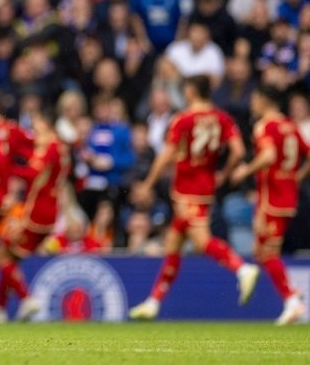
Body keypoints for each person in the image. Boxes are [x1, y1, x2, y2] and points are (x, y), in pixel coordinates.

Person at [129, 75, 259, 320]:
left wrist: (148, 184)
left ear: (190, 91)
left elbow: (166, 155)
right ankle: (153, 301)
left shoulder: (183, 119)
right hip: (206, 186)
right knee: (174, 244)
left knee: (201, 241)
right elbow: (239, 151)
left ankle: (242, 268)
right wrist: (224, 173)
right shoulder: (222, 118)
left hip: (187, 189)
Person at [230, 85, 309, 325]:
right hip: (288, 196)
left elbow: (268, 156)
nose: (252, 104)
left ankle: (292, 298)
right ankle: (290, 299)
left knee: (266, 252)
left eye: (254, 98)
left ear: (265, 100)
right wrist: (296, 178)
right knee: (261, 251)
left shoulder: (265, 126)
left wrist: (245, 171)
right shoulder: (290, 126)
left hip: (271, 198)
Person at [0, 111, 70, 323]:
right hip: (48, 211)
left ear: (47, 125)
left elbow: (34, 173)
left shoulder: (50, 147)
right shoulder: (58, 148)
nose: (34, 132)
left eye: (37, 126)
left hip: (37, 213)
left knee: (0, 256)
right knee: (10, 256)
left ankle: (27, 299)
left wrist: (8, 167)